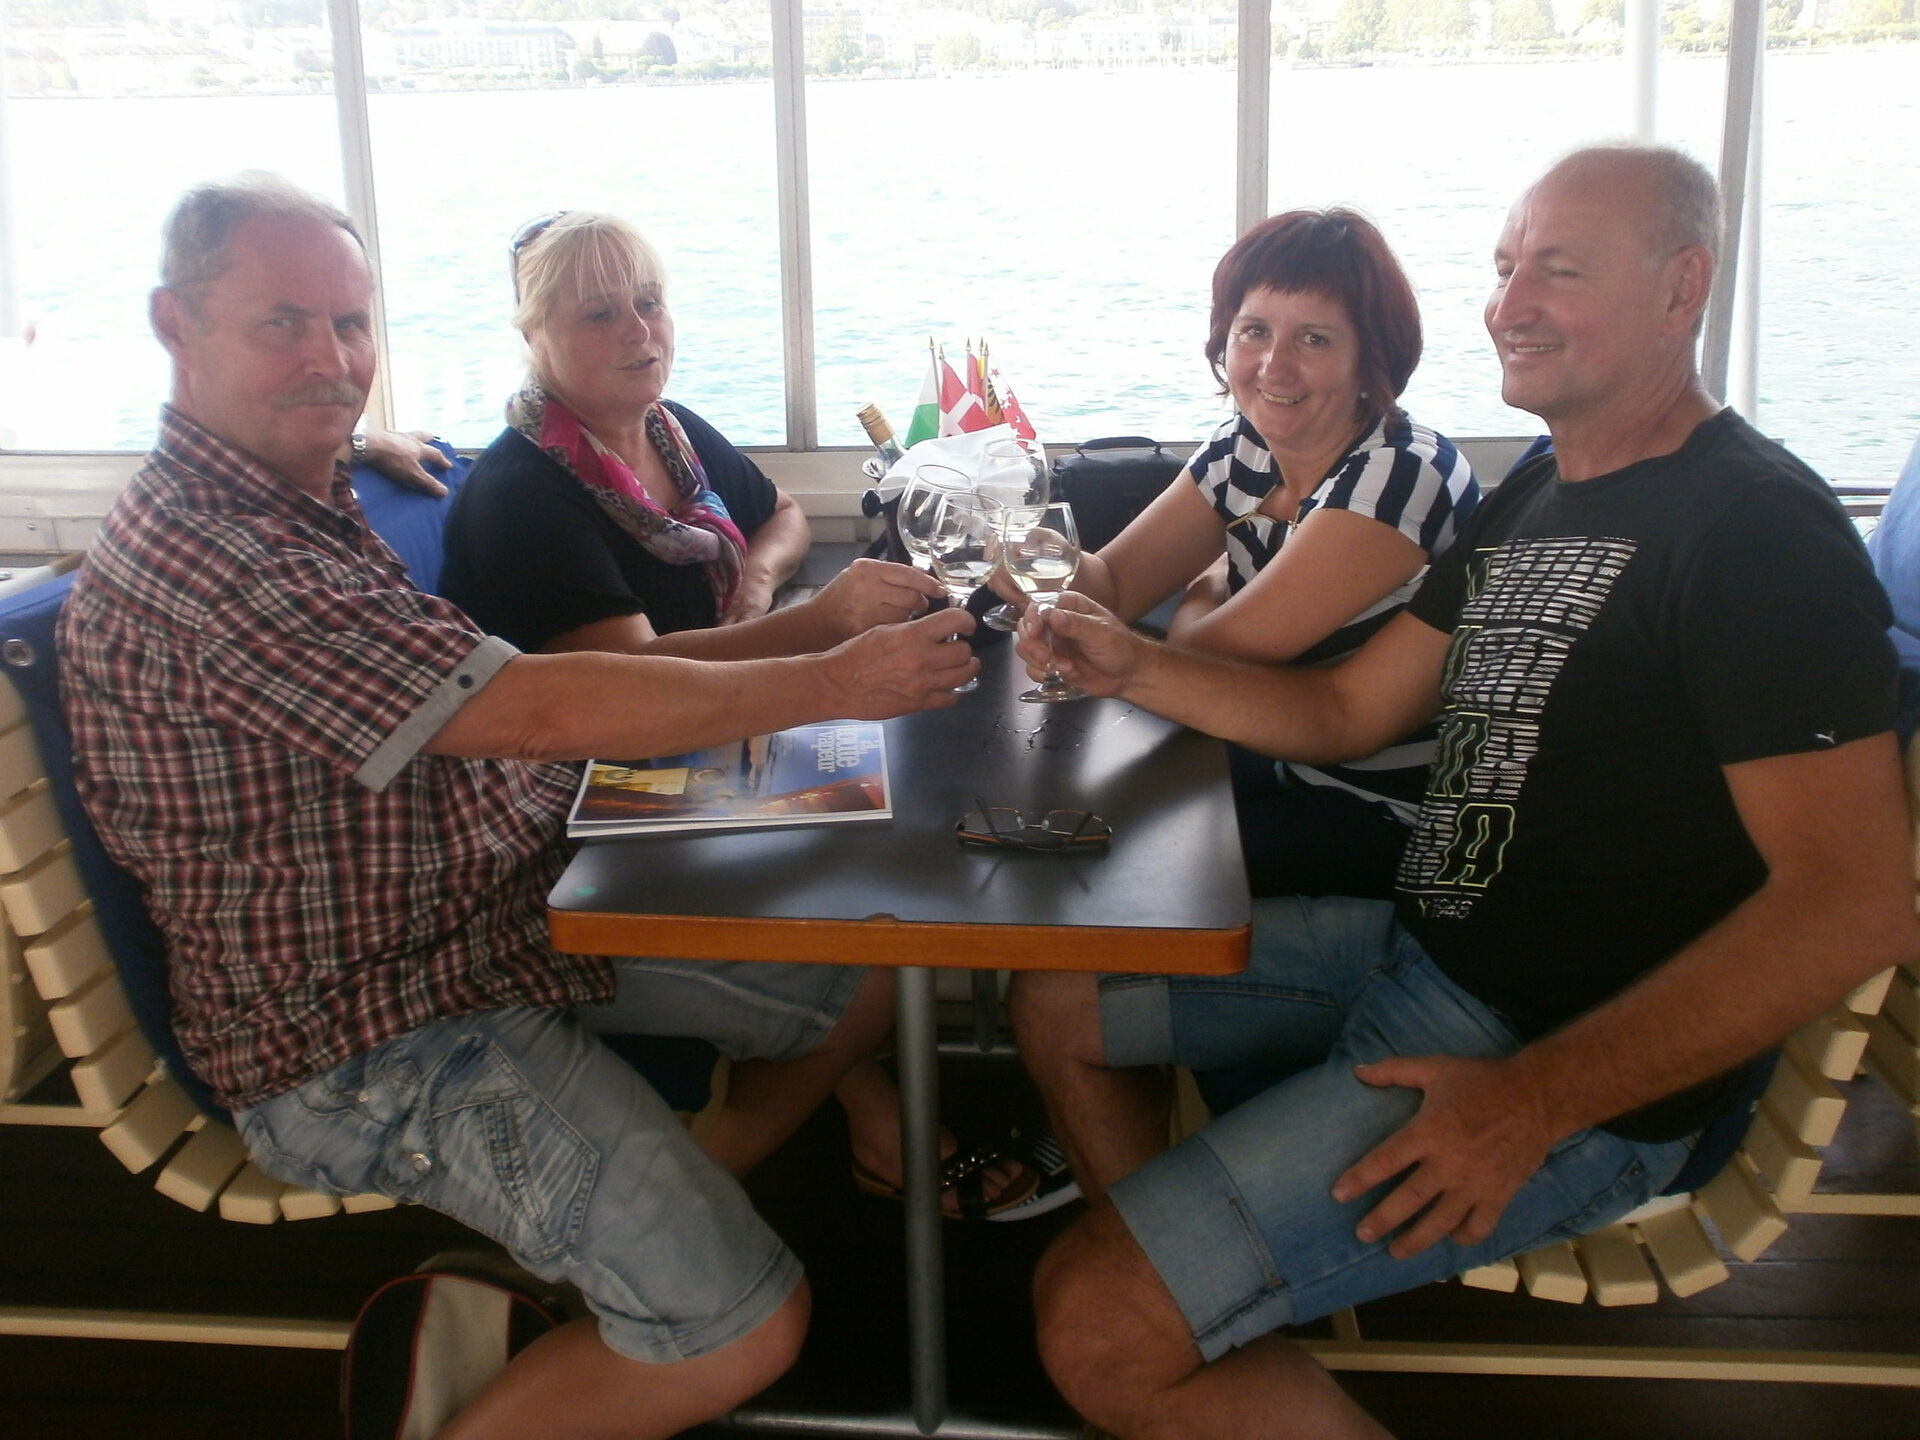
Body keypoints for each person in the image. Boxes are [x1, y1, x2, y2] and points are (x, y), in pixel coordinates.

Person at [1008, 144, 1919, 1439]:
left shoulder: (1757, 534)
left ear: (1683, 287)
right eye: (1503, 267)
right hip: (1419, 955)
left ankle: (1162, 1309)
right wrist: (1133, 660)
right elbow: (1345, 709)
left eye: (1560, 271)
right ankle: (1202, 1296)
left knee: (1091, 1323)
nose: (1508, 305)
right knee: (1057, 995)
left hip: (1560, 1069)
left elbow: (1854, 905)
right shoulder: (1544, 486)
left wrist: (1532, 1104)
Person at [58, 173, 977, 1440]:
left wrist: (362, 439)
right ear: (176, 324)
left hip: (494, 914)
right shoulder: (214, 558)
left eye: (350, 325)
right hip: (364, 1032)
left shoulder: (294, 489)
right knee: (745, 1323)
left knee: (870, 964)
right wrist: (829, 678)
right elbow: (534, 707)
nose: (331, 359)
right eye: (282, 323)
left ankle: (628, 1235)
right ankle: (639, 1290)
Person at [438, 209, 1035, 1219]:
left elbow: (783, 515)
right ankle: (702, 1198)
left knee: (910, 793)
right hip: (587, 807)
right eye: (599, 314)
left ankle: (870, 1120)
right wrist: (823, 630)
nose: (640, 332)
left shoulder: (666, 431)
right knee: (878, 934)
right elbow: (631, 682)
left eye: (650, 302)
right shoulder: (522, 495)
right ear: (533, 336)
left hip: (692, 742)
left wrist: (756, 587)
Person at [1025, 209, 1479, 901]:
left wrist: (1207, 588)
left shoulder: (1399, 475)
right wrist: (1006, 532)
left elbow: (1209, 658)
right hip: (1267, 758)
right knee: (1046, 828)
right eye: (1254, 331)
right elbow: (1110, 585)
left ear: (1370, 359)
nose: (1274, 366)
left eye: (1314, 338)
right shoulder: (1245, 448)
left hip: (1385, 813)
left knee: (1097, 869)